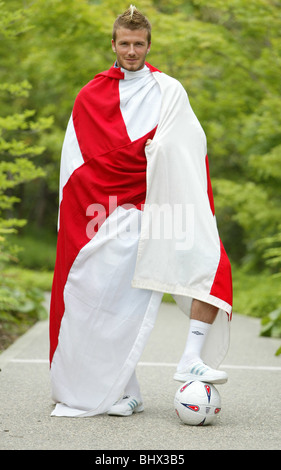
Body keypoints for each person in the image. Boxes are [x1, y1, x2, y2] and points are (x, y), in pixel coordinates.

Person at [49, 5, 232, 418]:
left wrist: (157, 157)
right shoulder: (90, 94)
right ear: (113, 45)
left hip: (163, 202)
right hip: (108, 211)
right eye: (125, 43)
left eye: (139, 44)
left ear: (149, 46)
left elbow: (188, 144)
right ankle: (124, 390)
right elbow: (79, 164)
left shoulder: (169, 91)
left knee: (211, 265)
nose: (132, 50)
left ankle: (190, 358)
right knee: (107, 293)